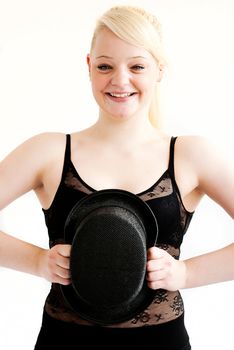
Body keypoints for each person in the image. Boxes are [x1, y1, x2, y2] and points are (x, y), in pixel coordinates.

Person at [0, 5, 233, 349]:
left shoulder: (191, 155)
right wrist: (36, 261)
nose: (120, 81)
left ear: (159, 70)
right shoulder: (47, 151)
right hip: (63, 341)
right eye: (105, 65)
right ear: (89, 67)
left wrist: (188, 273)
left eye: (137, 66)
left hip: (162, 341)